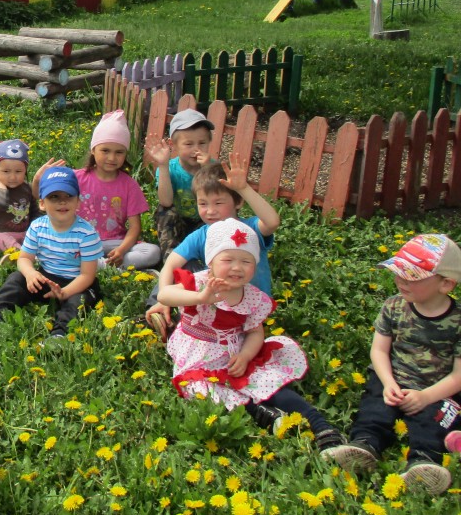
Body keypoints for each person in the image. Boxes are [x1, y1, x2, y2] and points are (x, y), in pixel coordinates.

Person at [158, 218, 343, 451]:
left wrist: (245, 356)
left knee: (266, 382)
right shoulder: (199, 282)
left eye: (246, 261)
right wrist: (200, 298)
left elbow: (256, 332)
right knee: (202, 390)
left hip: (234, 353)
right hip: (198, 354)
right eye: (228, 260)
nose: (237, 267)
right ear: (211, 262)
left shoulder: (253, 297)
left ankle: (320, 425)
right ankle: (261, 413)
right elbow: (165, 295)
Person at [324, 234, 461, 495]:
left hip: (439, 388)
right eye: (399, 272)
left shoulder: (458, 321)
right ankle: (365, 444)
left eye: (412, 276)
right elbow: (379, 350)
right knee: (375, 407)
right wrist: (388, 383)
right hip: (393, 377)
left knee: (434, 420)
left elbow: (458, 375)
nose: (400, 280)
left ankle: (424, 461)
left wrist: (426, 397)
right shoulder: (394, 306)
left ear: (446, 284)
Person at [145, 155, 280, 338]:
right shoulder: (202, 234)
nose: (210, 211)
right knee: (184, 268)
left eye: (218, 203)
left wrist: (243, 189)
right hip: (216, 303)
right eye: (203, 204)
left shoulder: (249, 229)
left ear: (238, 202)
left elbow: (272, 222)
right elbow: (170, 264)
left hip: (251, 307)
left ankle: (177, 320)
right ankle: (160, 309)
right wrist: (164, 298)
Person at [0, 166, 104, 341]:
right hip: (45, 278)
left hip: (77, 283)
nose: (62, 202)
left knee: (79, 302)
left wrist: (65, 292)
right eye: (54, 197)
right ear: (42, 203)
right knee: (16, 279)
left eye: (68, 196)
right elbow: (24, 258)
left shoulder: (86, 233)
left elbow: (87, 275)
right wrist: (31, 274)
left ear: (78, 202)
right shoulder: (38, 227)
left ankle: (59, 334)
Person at [73, 109, 160, 271]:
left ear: (125, 154)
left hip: (114, 242)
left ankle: (97, 266)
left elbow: (135, 227)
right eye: (105, 150)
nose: (112, 158)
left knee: (152, 252)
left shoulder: (129, 185)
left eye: (119, 152)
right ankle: (108, 268)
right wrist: (37, 181)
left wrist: (121, 250)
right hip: (80, 242)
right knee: (60, 248)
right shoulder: (75, 178)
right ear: (93, 149)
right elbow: (46, 199)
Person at [145, 109, 216, 260]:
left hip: (204, 221)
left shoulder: (214, 168)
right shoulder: (169, 168)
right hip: (178, 222)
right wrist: (163, 165)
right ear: (173, 144)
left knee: (221, 215)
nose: (196, 149)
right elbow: (166, 201)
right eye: (188, 144)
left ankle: (210, 258)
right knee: (164, 211)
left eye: (202, 143)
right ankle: (171, 258)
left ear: (209, 142)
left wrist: (206, 170)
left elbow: (217, 198)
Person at [0, 139, 61, 254]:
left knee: (42, 236)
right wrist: (0, 184)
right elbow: (0, 204)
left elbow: (35, 211)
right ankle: (22, 255)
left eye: (18, 171)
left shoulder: (27, 188)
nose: (13, 177)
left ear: (25, 172)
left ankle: (44, 251)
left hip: (22, 234)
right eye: (6, 171)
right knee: (7, 241)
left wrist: (37, 229)